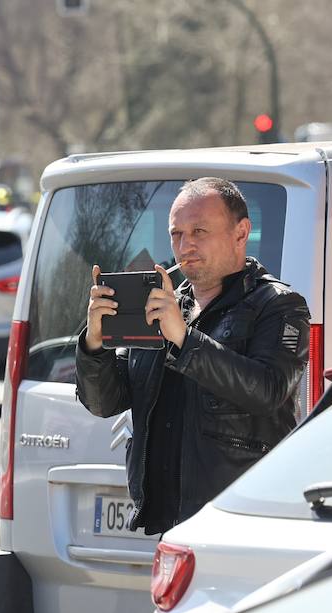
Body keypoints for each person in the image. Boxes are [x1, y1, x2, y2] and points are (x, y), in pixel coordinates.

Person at [76, 177, 311, 535]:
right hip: (168, 524)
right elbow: (105, 402)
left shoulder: (278, 306)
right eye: (176, 234)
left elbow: (268, 391)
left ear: (241, 232)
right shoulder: (161, 302)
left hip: (244, 520)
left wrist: (185, 340)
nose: (185, 245)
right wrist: (94, 343)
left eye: (199, 230)